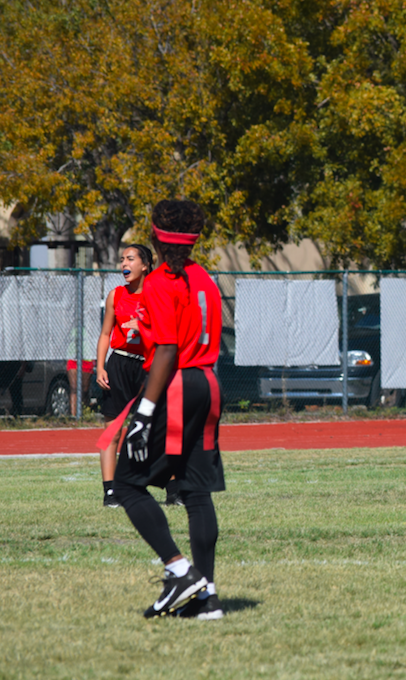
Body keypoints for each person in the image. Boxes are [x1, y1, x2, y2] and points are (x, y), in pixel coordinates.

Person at [108, 199, 225, 620]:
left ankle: (180, 572)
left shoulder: (160, 281)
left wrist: (143, 412)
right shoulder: (204, 277)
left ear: (157, 236)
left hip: (176, 385)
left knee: (124, 484)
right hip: (209, 382)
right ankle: (207, 600)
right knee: (195, 491)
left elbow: (169, 349)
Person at [95, 244, 152, 507]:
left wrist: (142, 325)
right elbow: (106, 334)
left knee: (159, 428)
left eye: (130, 259)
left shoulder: (157, 295)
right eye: (122, 259)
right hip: (119, 364)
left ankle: (173, 489)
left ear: (145, 265)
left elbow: (169, 331)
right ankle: (110, 492)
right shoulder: (115, 295)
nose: (124, 264)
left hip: (149, 366)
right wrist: (100, 366)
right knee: (112, 430)